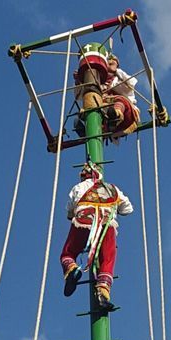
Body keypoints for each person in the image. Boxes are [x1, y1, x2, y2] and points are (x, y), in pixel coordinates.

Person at [60, 164, 134, 312]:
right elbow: (128, 209)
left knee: (68, 253)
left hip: (83, 222)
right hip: (106, 226)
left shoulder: (78, 187)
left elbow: (69, 211)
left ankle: (72, 268)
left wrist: (73, 213)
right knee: (107, 258)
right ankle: (103, 292)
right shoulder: (112, 188)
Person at [103, 53, 140, 141]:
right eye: (108, 63)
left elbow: (131, 83)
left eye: (112, 64)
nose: (109, 65)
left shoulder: (119, 79)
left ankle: (116, 116)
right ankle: (85, 128)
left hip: (126, 116)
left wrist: (117, 72)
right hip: (105, 118)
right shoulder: (99, 81)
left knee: (120, 100)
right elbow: (80, 95)